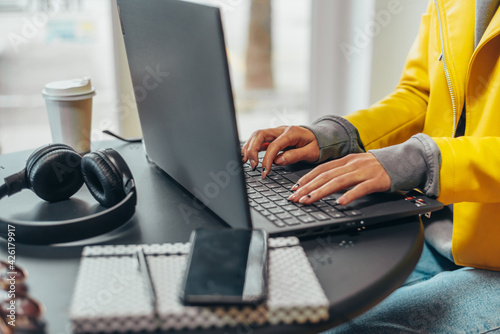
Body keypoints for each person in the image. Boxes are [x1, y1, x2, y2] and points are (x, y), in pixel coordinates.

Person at [241, 0, 500, 332]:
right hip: (440, 237)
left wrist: (420, 161)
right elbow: (421, 95)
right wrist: (335, 136)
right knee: (289, 304)